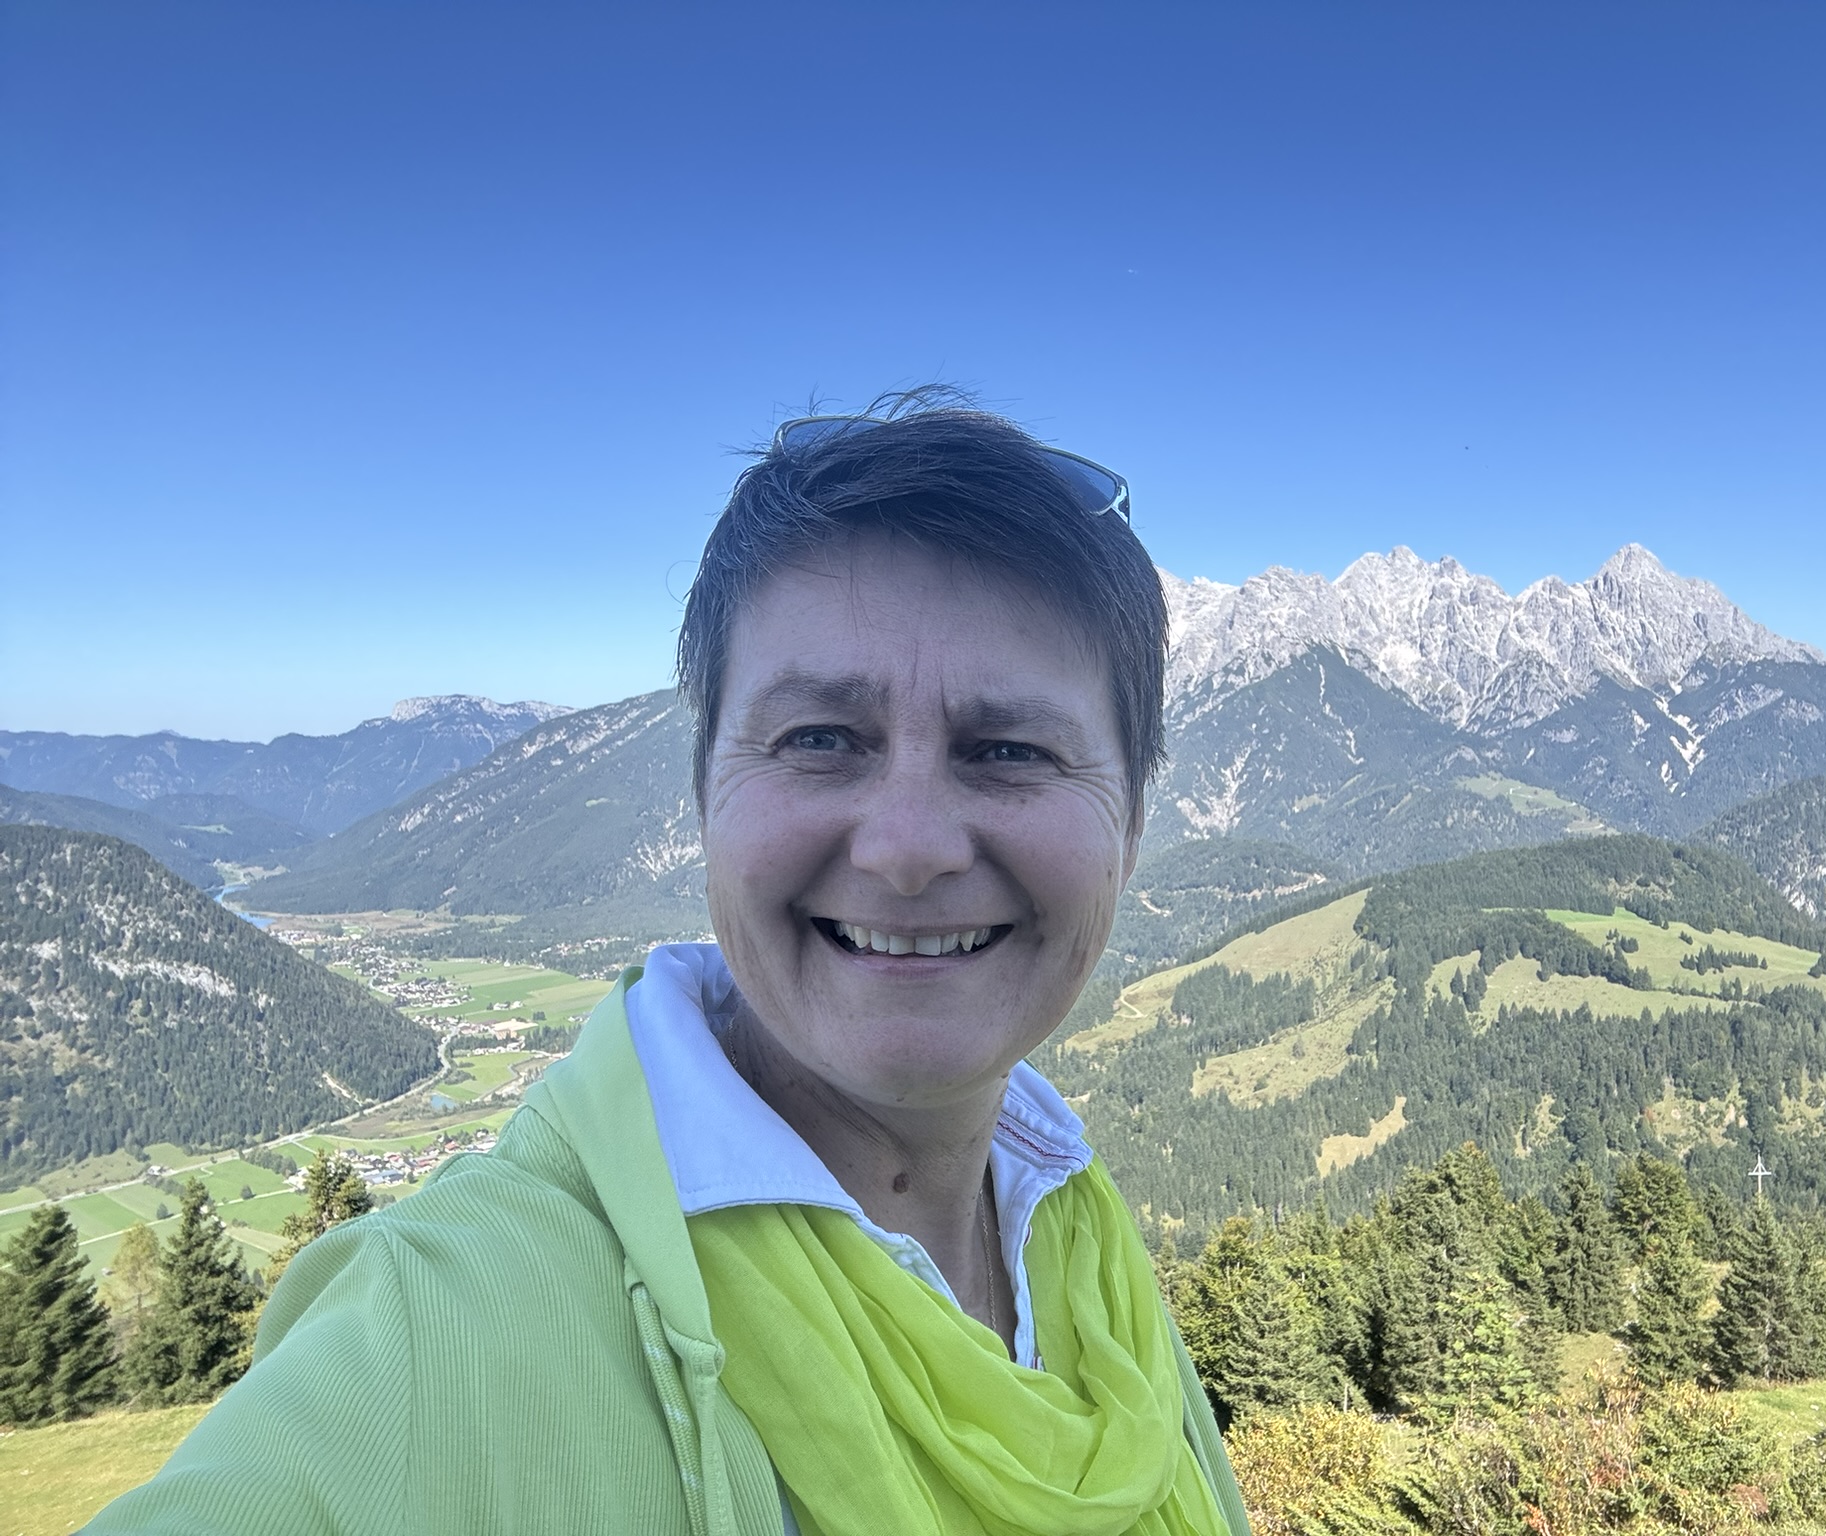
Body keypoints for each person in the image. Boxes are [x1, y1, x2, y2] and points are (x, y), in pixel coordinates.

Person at [87, 392, 1251, 1536]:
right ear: (704, 797)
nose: (905, 850)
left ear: (1130, 825)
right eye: (818, 740)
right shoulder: (432, 1334)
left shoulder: (1082, 1252)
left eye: (1009, 750)